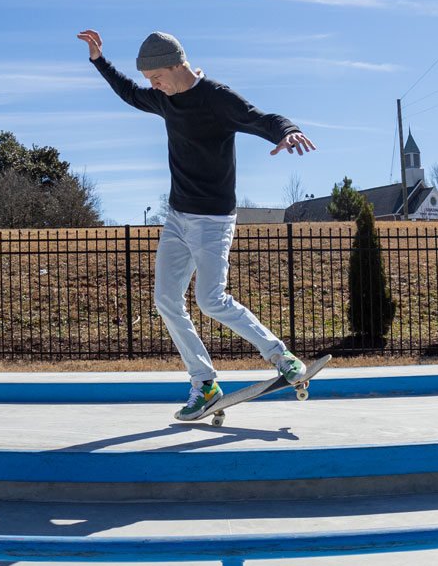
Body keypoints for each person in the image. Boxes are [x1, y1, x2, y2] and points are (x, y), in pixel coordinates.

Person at [78, 28, 316, 420]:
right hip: (176, 217)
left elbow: (261, 118)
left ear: (176, 65)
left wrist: (287, 130)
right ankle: (204, 383)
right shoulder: (163, 99)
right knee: (166, 300)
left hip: (213, 220)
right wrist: (99, 61)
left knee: (211, 299)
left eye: (156, 78)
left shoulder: (217, 98)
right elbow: (128, 93)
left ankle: (281, 355)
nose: (153, 87)